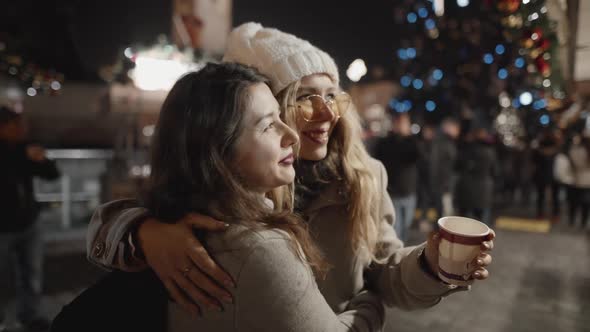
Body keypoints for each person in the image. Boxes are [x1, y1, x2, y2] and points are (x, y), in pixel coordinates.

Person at [84, 23, 494, 317]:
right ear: (262, 107)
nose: (325, 113)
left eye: (332, 95)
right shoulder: (232, 183)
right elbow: (115, 219)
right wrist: (145, 231)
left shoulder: (363, 175)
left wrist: (430, 265)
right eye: (304, 98)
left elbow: (383, 271)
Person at [52, 62, 385, 332]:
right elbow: (105, 225)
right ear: (218, 150)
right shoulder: (256, 244)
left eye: (333, 97)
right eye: (269, 125)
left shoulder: (191, 213)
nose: (291, 135)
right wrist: (370, 299)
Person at [0, 106, 60, 331]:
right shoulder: (15, 153)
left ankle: (31, 316)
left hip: (28, 222)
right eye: (15, 125)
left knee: (32, 273)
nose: (21, 129)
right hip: (2, 226)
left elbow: (53, 174)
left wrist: (42, 160)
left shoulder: (23, 148)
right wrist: (23, 156)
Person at [374, 112, 420, 241]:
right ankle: (396, 256)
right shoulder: (386, 142)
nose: (401, 126)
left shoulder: (411, 142)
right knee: (396, 227)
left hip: (409, 191)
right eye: (399, 122)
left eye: (404, 123)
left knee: (406, 225)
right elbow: (380, 160)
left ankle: (401, 252)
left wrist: (408, 137)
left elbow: (417, 156)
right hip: (392, 191)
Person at [454, 127, 498, 226]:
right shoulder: (490, 152)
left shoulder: (466, 149)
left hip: (466, 189)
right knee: (481, 224)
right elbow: (495, 171)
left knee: (462, 222)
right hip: (483, 189)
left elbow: (457, 166)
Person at [554, 133, 590, 228]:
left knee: (573, 202)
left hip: (575, 179)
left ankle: (572, 220)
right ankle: (583, 222)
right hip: (588, 181)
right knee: (586, 203)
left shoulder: (575, 151)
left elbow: (570, 162)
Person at [430, 117, 461, 219]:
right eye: (455, 128)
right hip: (443, 185)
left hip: (445, 184)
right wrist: (444, 185)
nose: (458, 131)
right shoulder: (442, 142)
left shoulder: (447, 141)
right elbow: (437, 164)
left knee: (445, 213)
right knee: (445, 215)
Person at [531, 128, 562, 221]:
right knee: (555, 196)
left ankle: (540, 214)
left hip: (541, 175)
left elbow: (533, 163)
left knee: (541, 196)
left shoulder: (538, 151)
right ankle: (555, 214)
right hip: (555, 176)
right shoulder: (557, 152)